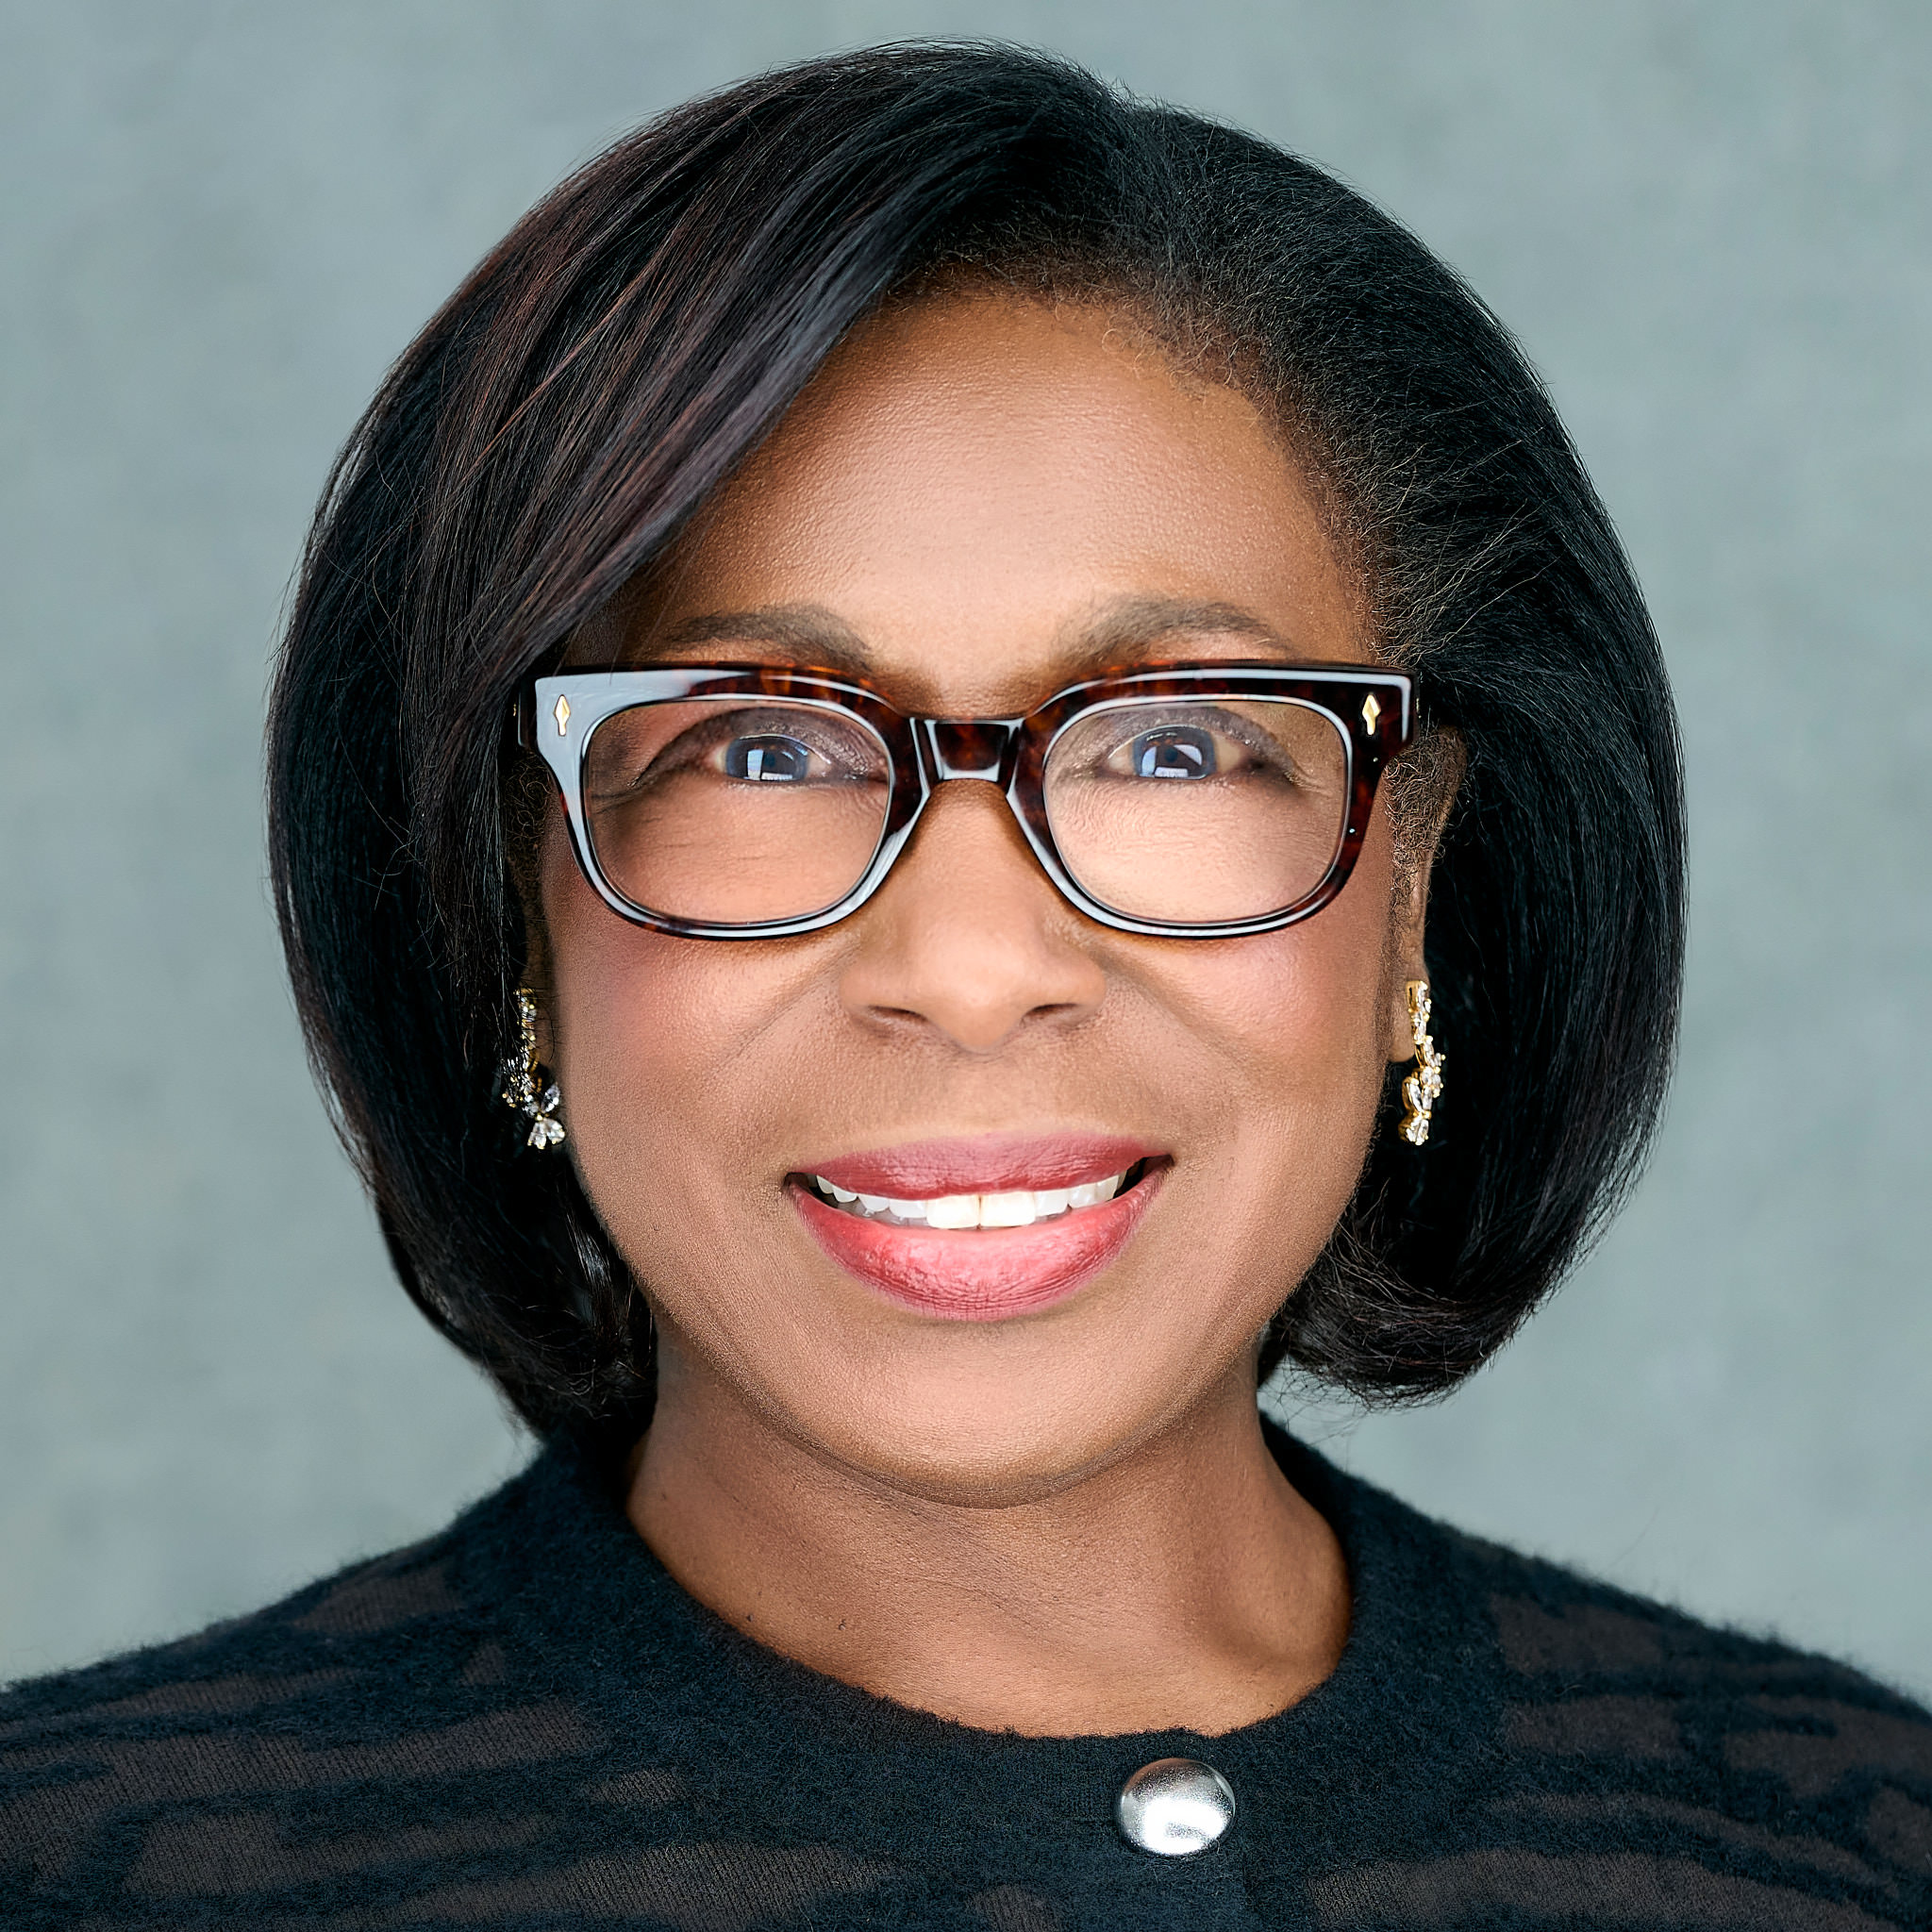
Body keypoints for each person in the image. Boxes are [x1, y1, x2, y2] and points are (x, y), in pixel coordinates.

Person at [3, 42, 1926, 1930]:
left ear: (1412, 884)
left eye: (1173, 745)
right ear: (518, 907)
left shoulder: (1853, 1847)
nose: (973, 970)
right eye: (761, 747)